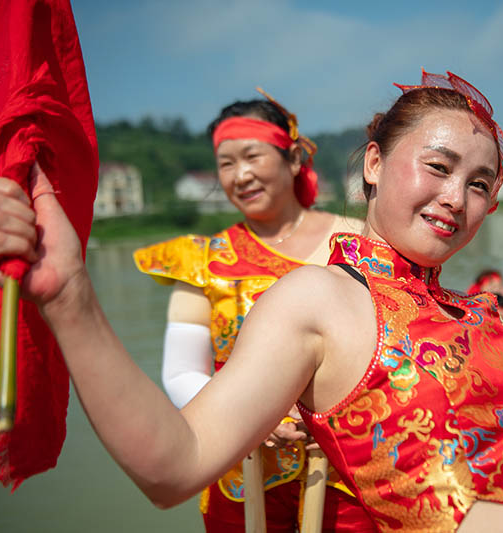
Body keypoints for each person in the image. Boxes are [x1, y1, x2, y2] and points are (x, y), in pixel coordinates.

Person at [0, 70, 503, 532]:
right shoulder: (319, 296)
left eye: (480, 184)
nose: (456, 198)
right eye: (438, 167)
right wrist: (72, 300)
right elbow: (174, 462)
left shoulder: (470, 309)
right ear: (375, 164)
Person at [132, 91, 369, 532]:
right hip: (244, 473)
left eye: (252, 156)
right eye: (226, 163)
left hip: (347, 471)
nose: (240, 175)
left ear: (294, 157)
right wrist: (254, 418)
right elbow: (181, 373)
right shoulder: (203, 261)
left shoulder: (358, 242)